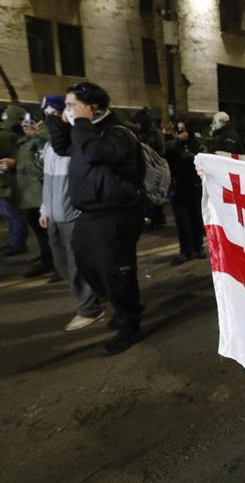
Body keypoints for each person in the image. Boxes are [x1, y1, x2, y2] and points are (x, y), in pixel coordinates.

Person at [50, 82, 145, 356]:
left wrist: (80, 122)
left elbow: (94, 153)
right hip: (89, 213)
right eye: (66, 106)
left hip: (116, 212)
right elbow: (62, 148)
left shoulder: (119, 131)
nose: (69, 111)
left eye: (72, 105)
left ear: (92, 107)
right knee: (88, 266)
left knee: (115, 271)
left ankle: (130, 325)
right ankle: (127, 304)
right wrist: (55, 119)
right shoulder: (84, 131)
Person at [41, 94, 104, 330]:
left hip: (73, 216)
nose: (50, 120)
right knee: (62, 263)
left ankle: (90, 308)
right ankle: (95, 296)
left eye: (54, 114)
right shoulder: (50, 145)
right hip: (54, 215)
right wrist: (44, 208)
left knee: (78, 264)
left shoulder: (75, 144)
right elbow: (47, 181)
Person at [15, 113, 54, 277]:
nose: (25, 125)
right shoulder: (24, 140)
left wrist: (36, 136)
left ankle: (56, 264)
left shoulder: (44, 137)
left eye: (28, 122)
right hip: (28, 194)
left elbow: (42, 165)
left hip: (39, 194)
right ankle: (47, 259)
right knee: (40, 233)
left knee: (48, 233)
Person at [165, 119, 207, 265]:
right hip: (178, 188)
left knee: (196, 218)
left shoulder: (197, 144)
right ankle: (186, 250)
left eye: (184, 130)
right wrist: (177, 141)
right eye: (179, 130)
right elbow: (166, 151)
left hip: (194, 186)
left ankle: (198, 246)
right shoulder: (174, 144)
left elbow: (198, 158)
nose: (181, 133)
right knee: (182, 221)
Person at [0, 104, 28, 255]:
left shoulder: (5, 135)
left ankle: (17, 243)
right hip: (7, 181)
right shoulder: (10, 135)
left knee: (12, 214)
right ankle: (15, 242)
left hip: (7, 183)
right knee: (11, 214)